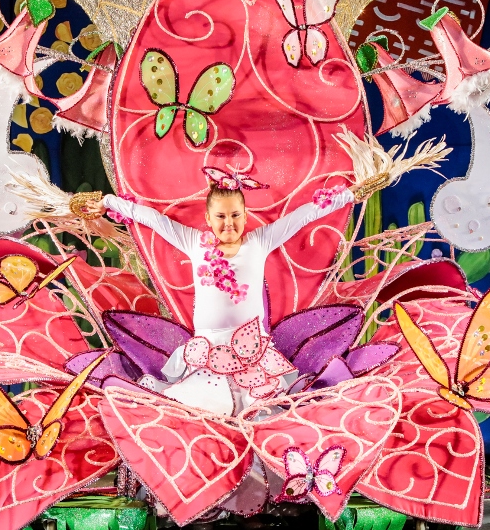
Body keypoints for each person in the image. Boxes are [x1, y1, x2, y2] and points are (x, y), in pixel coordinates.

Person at [82, 168, 354, 414]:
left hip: (253, 354)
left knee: (258, 414)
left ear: (245, 215)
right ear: (208, 218)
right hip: (208, 355)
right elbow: (152, 219)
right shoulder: (194, 242)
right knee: (205, 412)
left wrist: (350, 195)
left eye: (235, 215)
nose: (229, 223)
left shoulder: (259, 241)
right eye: (221, 216)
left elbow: (304, 215)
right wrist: (109, 202)